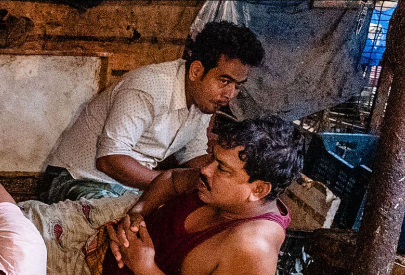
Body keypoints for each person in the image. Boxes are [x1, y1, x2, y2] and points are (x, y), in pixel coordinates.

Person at [102, 115, 303, 275]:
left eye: (223, 169)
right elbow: (170, 179)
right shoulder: (215, 187)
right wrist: (138, 214)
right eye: (212, 158)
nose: (206, 170)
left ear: (258, 190)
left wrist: (147, 270)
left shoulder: (253, 247)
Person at [41, 21, 265, 203]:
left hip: (127, 187)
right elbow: (109, 160)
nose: (230, 94)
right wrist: (171, 184)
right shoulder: (149, 87)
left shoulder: (205, 99)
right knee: (137, 229)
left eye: (238, 85)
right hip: (75, 179)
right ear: (197, 70)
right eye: (224, 81)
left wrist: (231, 180)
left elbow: (194, 157)